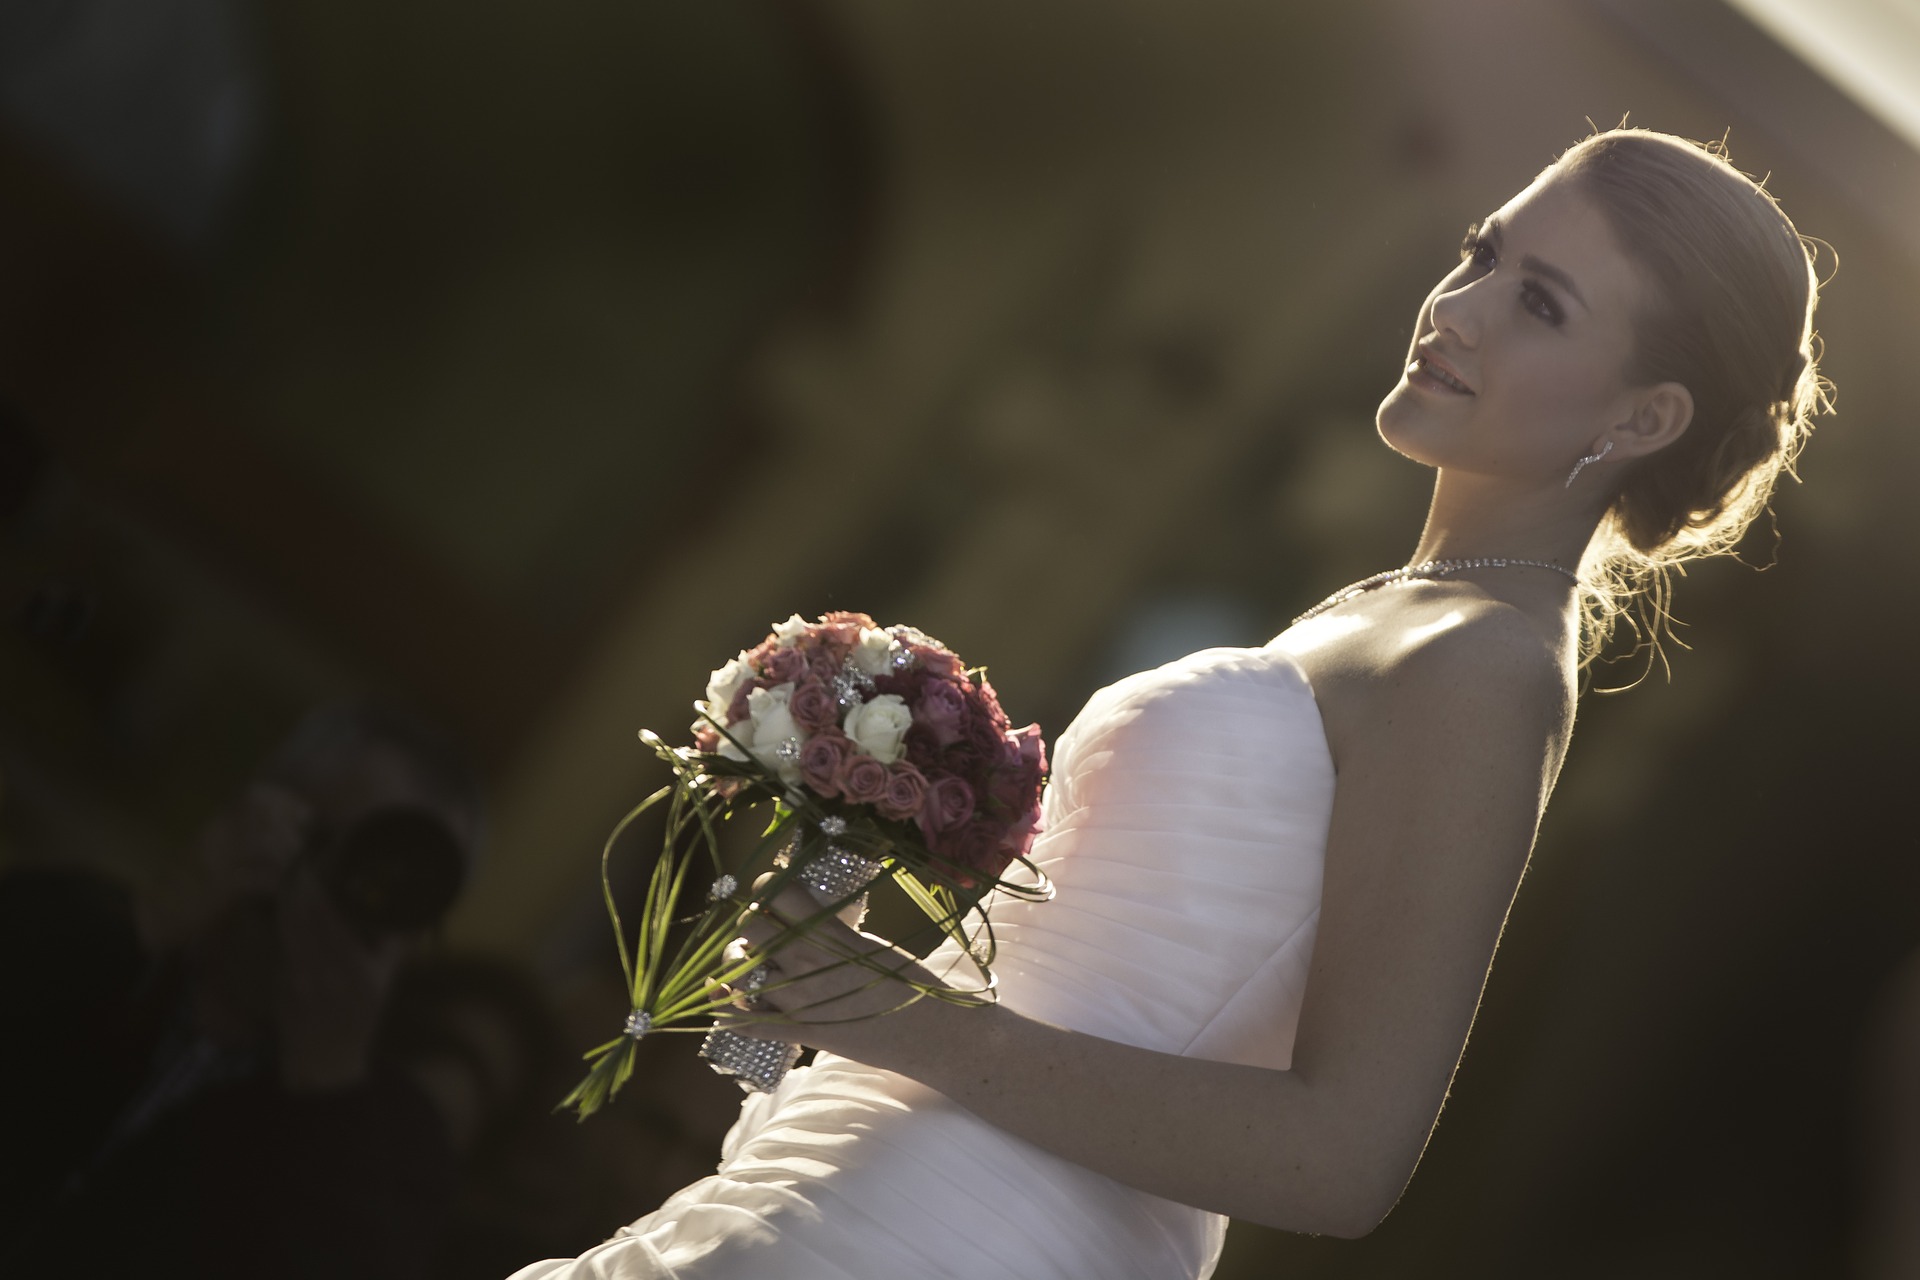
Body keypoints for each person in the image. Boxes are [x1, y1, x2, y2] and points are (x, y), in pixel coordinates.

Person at [508, 127, 1827, 1279]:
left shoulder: (1486, 666)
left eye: (1538, 302)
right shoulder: (1394, 614)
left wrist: (908, 1019)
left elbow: (1344, 1156)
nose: (1459, 307)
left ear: (1647, 417)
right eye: (1479, 252)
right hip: (875, 1188)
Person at [0, 701, 484, 1278]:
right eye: (320, 835)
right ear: (255, 810)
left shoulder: (386, 1146)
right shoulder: (85, 934)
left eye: (400, 886)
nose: (344, 884)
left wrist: (327, 1083)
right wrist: (148, 923)